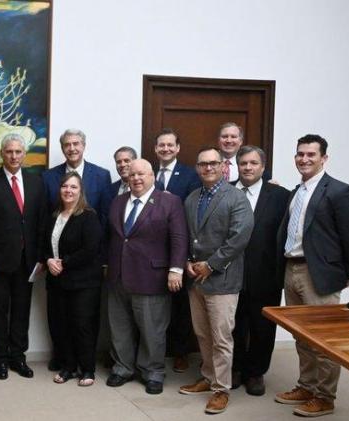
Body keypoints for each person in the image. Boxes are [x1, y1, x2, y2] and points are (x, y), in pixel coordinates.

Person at [274, 134, 349, 417]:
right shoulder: (295, 192)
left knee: (324, 340)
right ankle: (307, 386)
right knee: (301, 335)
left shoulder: (340, 191)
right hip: (292, 269)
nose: (305, 159)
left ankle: (325, 396)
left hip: (320, 275)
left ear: (324, 158)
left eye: (311, 154)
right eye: (300, 154)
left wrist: (348, 273)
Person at [179, 147, 253, 414]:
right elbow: (187, 236)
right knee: (202, 332)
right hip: (195, 279)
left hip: (222, 279)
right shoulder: (191, 198)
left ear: (223, 167)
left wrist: (211, 265)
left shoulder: (236, 198)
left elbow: (239, 239)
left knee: (222, 337)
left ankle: (222, 389)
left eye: (213, 163)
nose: (208, 168)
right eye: (202, 164)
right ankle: (208, 376)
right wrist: (187, 261)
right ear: (197, 168)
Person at [106, 159, 188, 395]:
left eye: (141, 174)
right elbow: (114, 237)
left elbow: (179, 238)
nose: (136, 179)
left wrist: (176, 269)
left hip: (152, 276)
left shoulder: (169, 201)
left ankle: (153, 372)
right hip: (118, 275)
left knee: (153, 329)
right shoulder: (118, 201)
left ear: (153, 176)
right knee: (119, 327)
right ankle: (122, 368)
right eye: (132, 175)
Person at [0, 133, 47, 380]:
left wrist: (41, 258)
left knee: (22, 312)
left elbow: (41, 223)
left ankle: (18, 357)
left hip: (28, 262)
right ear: (1, 154)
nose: (14, 156)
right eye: (9, 151)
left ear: (24, 154)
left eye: (18, 152)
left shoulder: (36, 182)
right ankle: (1, 359)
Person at [41, 128, 111, 371]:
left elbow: (104, 217)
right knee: (59, 318)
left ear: (84, 145)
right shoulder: (48, 177)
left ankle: (85, 364)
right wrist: (49, 259)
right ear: (62, 148)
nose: (72, 148)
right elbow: (45, 221)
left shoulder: (101, 176)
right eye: (67, 144)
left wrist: (100, 259)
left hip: (87, 265)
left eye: (76, 144)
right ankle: (64, 360)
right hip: (58, 266)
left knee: (84, 320)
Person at [231, 145, 289, 396]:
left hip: (265, 273)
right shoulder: (226, 191)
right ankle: (233, 368)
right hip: (230, 272)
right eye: (243, 163)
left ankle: (255, 372)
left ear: (263, 167)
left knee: (262, 326)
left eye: (253, 163)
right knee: (232, 324)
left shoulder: (280, 195)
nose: (248, 167)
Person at [42, 172, 102, 386]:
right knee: (62, 325)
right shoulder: (54, 215)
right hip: (57, 282)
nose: (68, 190)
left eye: (73, 187)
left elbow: (90, 250)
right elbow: (44, 246)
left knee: (82, 325)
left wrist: (63, 263)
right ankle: (68, 367)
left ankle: (87, 370)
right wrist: (48, 260)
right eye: (65, 186)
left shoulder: (88, 216)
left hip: (83, 283)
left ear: (80, 191)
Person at [153, 128, 201, 374]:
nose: (165, 149)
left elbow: (193, 208)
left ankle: (180, 352)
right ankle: (157, 350)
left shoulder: (191, 175)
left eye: (170, 145)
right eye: (161, 145)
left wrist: (172, 202)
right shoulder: (149, 173)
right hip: (152, 247)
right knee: (156, 303)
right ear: (155, 149)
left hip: (178, 245)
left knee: (180, 304)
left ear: (178, 148)